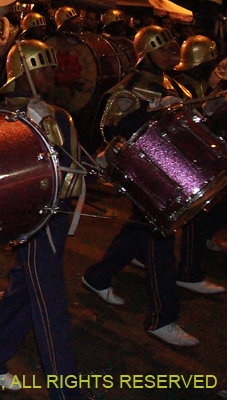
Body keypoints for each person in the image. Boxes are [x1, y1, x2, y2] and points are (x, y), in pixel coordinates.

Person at [0, 41, 82, 398]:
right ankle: (66, 390)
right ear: (25, 71)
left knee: (25, 290)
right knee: (50, 302)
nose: (51, 74)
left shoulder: (54, 112)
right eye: (44, 68)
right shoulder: (2, 116)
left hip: (58, 211)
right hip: (35, 217)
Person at [82, 25, 199, 346]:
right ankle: (163, 317)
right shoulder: (133, 86)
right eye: (164, 49)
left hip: (162, 168)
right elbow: (110, 129)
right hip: (140, 169)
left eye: (173, 48)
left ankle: (98, 276)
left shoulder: (170, 81)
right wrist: (150, 110)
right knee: (159, 236)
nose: (172, 54)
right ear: (147, 51)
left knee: (143, 230)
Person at [169, 35, 227, 294]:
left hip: (212, 141)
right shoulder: (185, 83)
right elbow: (207, 113)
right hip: (207, 147)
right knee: (201, 210)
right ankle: (188, 271)